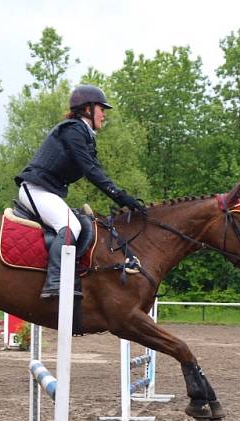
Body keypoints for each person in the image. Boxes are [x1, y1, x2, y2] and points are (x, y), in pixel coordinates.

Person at [15, 84, 146, 299]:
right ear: (87, 109)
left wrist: (121, 195)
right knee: (71, 226)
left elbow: (96, 169)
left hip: (46, 192)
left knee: (80, 223)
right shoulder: (73, 130)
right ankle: (55, 282)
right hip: (36, 190)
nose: (104, 114)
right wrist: (120, 196)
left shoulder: (83, 134)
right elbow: (91, 171)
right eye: (101, 109)